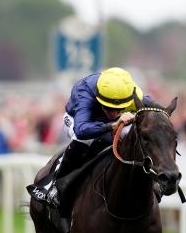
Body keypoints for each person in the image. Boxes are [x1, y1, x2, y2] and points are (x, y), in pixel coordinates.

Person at [27, 67, 155, 212]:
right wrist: (112, 125)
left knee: (137, 137)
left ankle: (152, 180)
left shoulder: (130, 92)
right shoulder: (84, 91)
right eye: (108, 108)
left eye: (118, 109)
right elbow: (81, 130)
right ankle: (53, 185)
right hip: (79, 121)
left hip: (111, 121)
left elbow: (154, 108)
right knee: (84, 141)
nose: (113, 113)